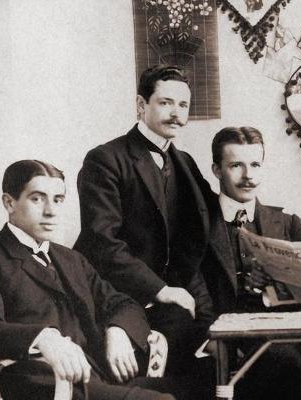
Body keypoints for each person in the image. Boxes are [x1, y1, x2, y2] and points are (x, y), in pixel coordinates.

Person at [0, 160, 193, 400]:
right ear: (9, 203)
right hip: (42, 383)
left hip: (96, 376)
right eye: (37, 199)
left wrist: (118, 330)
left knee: (200, 388)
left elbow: (123, 303)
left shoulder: (71, 259)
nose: (51, 211)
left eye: (58, 200)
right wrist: (42, 338)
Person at [74, 65, 216, 376]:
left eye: (183, 105)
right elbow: (102, 243)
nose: (176, 113)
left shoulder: (185, 162)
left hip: (176, 298)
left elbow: (206, 223)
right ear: (141, 105)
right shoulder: (105, 159)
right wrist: (160, 290)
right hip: (117, 298)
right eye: (165, 102)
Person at [199, 126, 301, 400]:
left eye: (255, 165)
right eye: (236, 165)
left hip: (284, 338)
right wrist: (213, 340)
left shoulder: (288, 224)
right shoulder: (197, 227)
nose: (248, 175)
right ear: (217, 170)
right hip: (222, 339)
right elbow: (195, 294)